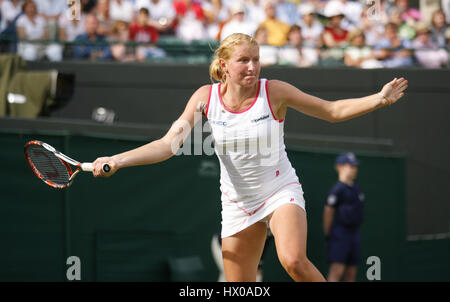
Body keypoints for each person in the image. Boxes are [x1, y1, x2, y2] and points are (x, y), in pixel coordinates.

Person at [91, 33, 408, 282]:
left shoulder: (275, 92)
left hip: (279, 190)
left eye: (256, 60)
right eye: (244, 60)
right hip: (237, 204)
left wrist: (378, 99)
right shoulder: (205, 98)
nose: (252, 67)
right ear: (224, 65)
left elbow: (332, 111)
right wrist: (118, 160)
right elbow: (167, 145)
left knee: (294, 261)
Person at [323, 152, 364, 282]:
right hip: (340, 233)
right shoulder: (337, 190)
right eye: (350, 166)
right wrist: (329, 234)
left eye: (355, 166)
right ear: (340, 167)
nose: (353, 169)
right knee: (337, 270)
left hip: (354, 233)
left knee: (351, 272)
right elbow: (328, 211)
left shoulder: (357, 189)